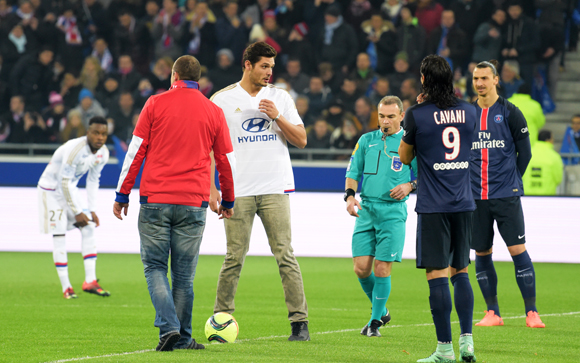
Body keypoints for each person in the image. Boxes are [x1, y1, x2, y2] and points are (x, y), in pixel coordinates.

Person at [113, 55, 236, 352]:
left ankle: (169, 328)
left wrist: (122, 193)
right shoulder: (213, 111)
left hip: (156, 199)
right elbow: (224, 160)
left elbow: (136, 152)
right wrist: (228, 199)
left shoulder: (154, 103)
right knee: (184, 275)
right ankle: (181, 337)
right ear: (198, 78)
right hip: (193, 203)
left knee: (155, 266)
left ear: (174, 75)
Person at [209, 41, 310, 341]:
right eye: (264, 66)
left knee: (285, 255)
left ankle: (299, 323)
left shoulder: (280, 97)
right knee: (233, 257)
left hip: (275, 187)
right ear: (247, 64)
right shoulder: (221, 100)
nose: (269, 72)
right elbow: (208, 146)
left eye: (272, 67)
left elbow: (302, 140)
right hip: (237, 191)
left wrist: (277, 117)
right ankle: (221, 319)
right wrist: (211, 186)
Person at [399, 55, 477, 363]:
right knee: (461, 271)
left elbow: (405, 158)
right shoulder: (470, 111)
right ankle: (467, 342)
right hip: (464, 202)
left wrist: (418, 112)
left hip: (433, 205)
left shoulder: (417, 114)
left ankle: (444, 349)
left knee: (437, 274)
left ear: (423, 80)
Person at [470, 60, 544, 329]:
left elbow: (525, 154)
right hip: (476, 197)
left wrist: (512, 180)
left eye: (484, 78)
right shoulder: (467, 114)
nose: (479, 83)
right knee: (481, 252)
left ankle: (532, 312)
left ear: (496, 80)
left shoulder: (511, 113)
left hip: (505, 194)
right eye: (476, 78)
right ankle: (493, 313)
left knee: (517, 249)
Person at [345, 95, 417, 337]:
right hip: (367, 210)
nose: (385, 121)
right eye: (382, 116)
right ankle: (383, 310)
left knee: (382, 268)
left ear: (401, 117)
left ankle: (375, 323)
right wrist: (350, 196)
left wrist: (409, 186)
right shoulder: (367, 140)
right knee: (361, 269)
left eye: (390, 117)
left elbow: (423, 176)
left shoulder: (410, 143)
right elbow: (353, 170)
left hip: (393, 212)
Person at [37, 116, 110, 299]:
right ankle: (66, 287)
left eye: (103, 134)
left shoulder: (103, 153)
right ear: (88, 132)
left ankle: (90, 281)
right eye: (96, 133)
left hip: (69, 189)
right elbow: (64, 181)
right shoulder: (74, 149)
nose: (100, 137)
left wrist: (91, 209)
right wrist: (77, 211)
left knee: (89, 227)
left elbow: (93, 180)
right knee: (60, 235)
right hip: (51, 191)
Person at [522, 130, 564, 195]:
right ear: (548, 140)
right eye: (552, 139)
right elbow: (558, 178)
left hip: (527, 195)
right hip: (547, 196)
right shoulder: (554, 156)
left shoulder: (527, 154)